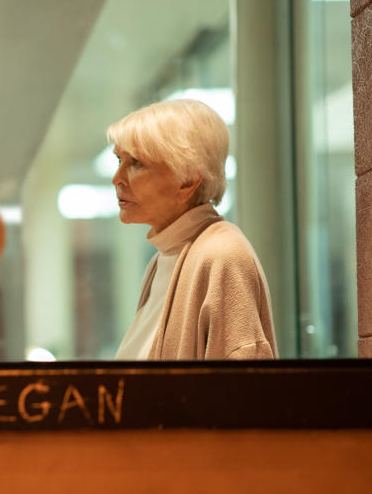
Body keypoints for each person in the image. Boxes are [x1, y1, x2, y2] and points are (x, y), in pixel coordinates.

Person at [110, 98, 276, 360]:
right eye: (119, 160)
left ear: (188, 180)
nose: (117, 178)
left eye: (136, 163)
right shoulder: (161, 260)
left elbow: (245, 394)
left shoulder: (222, 255)